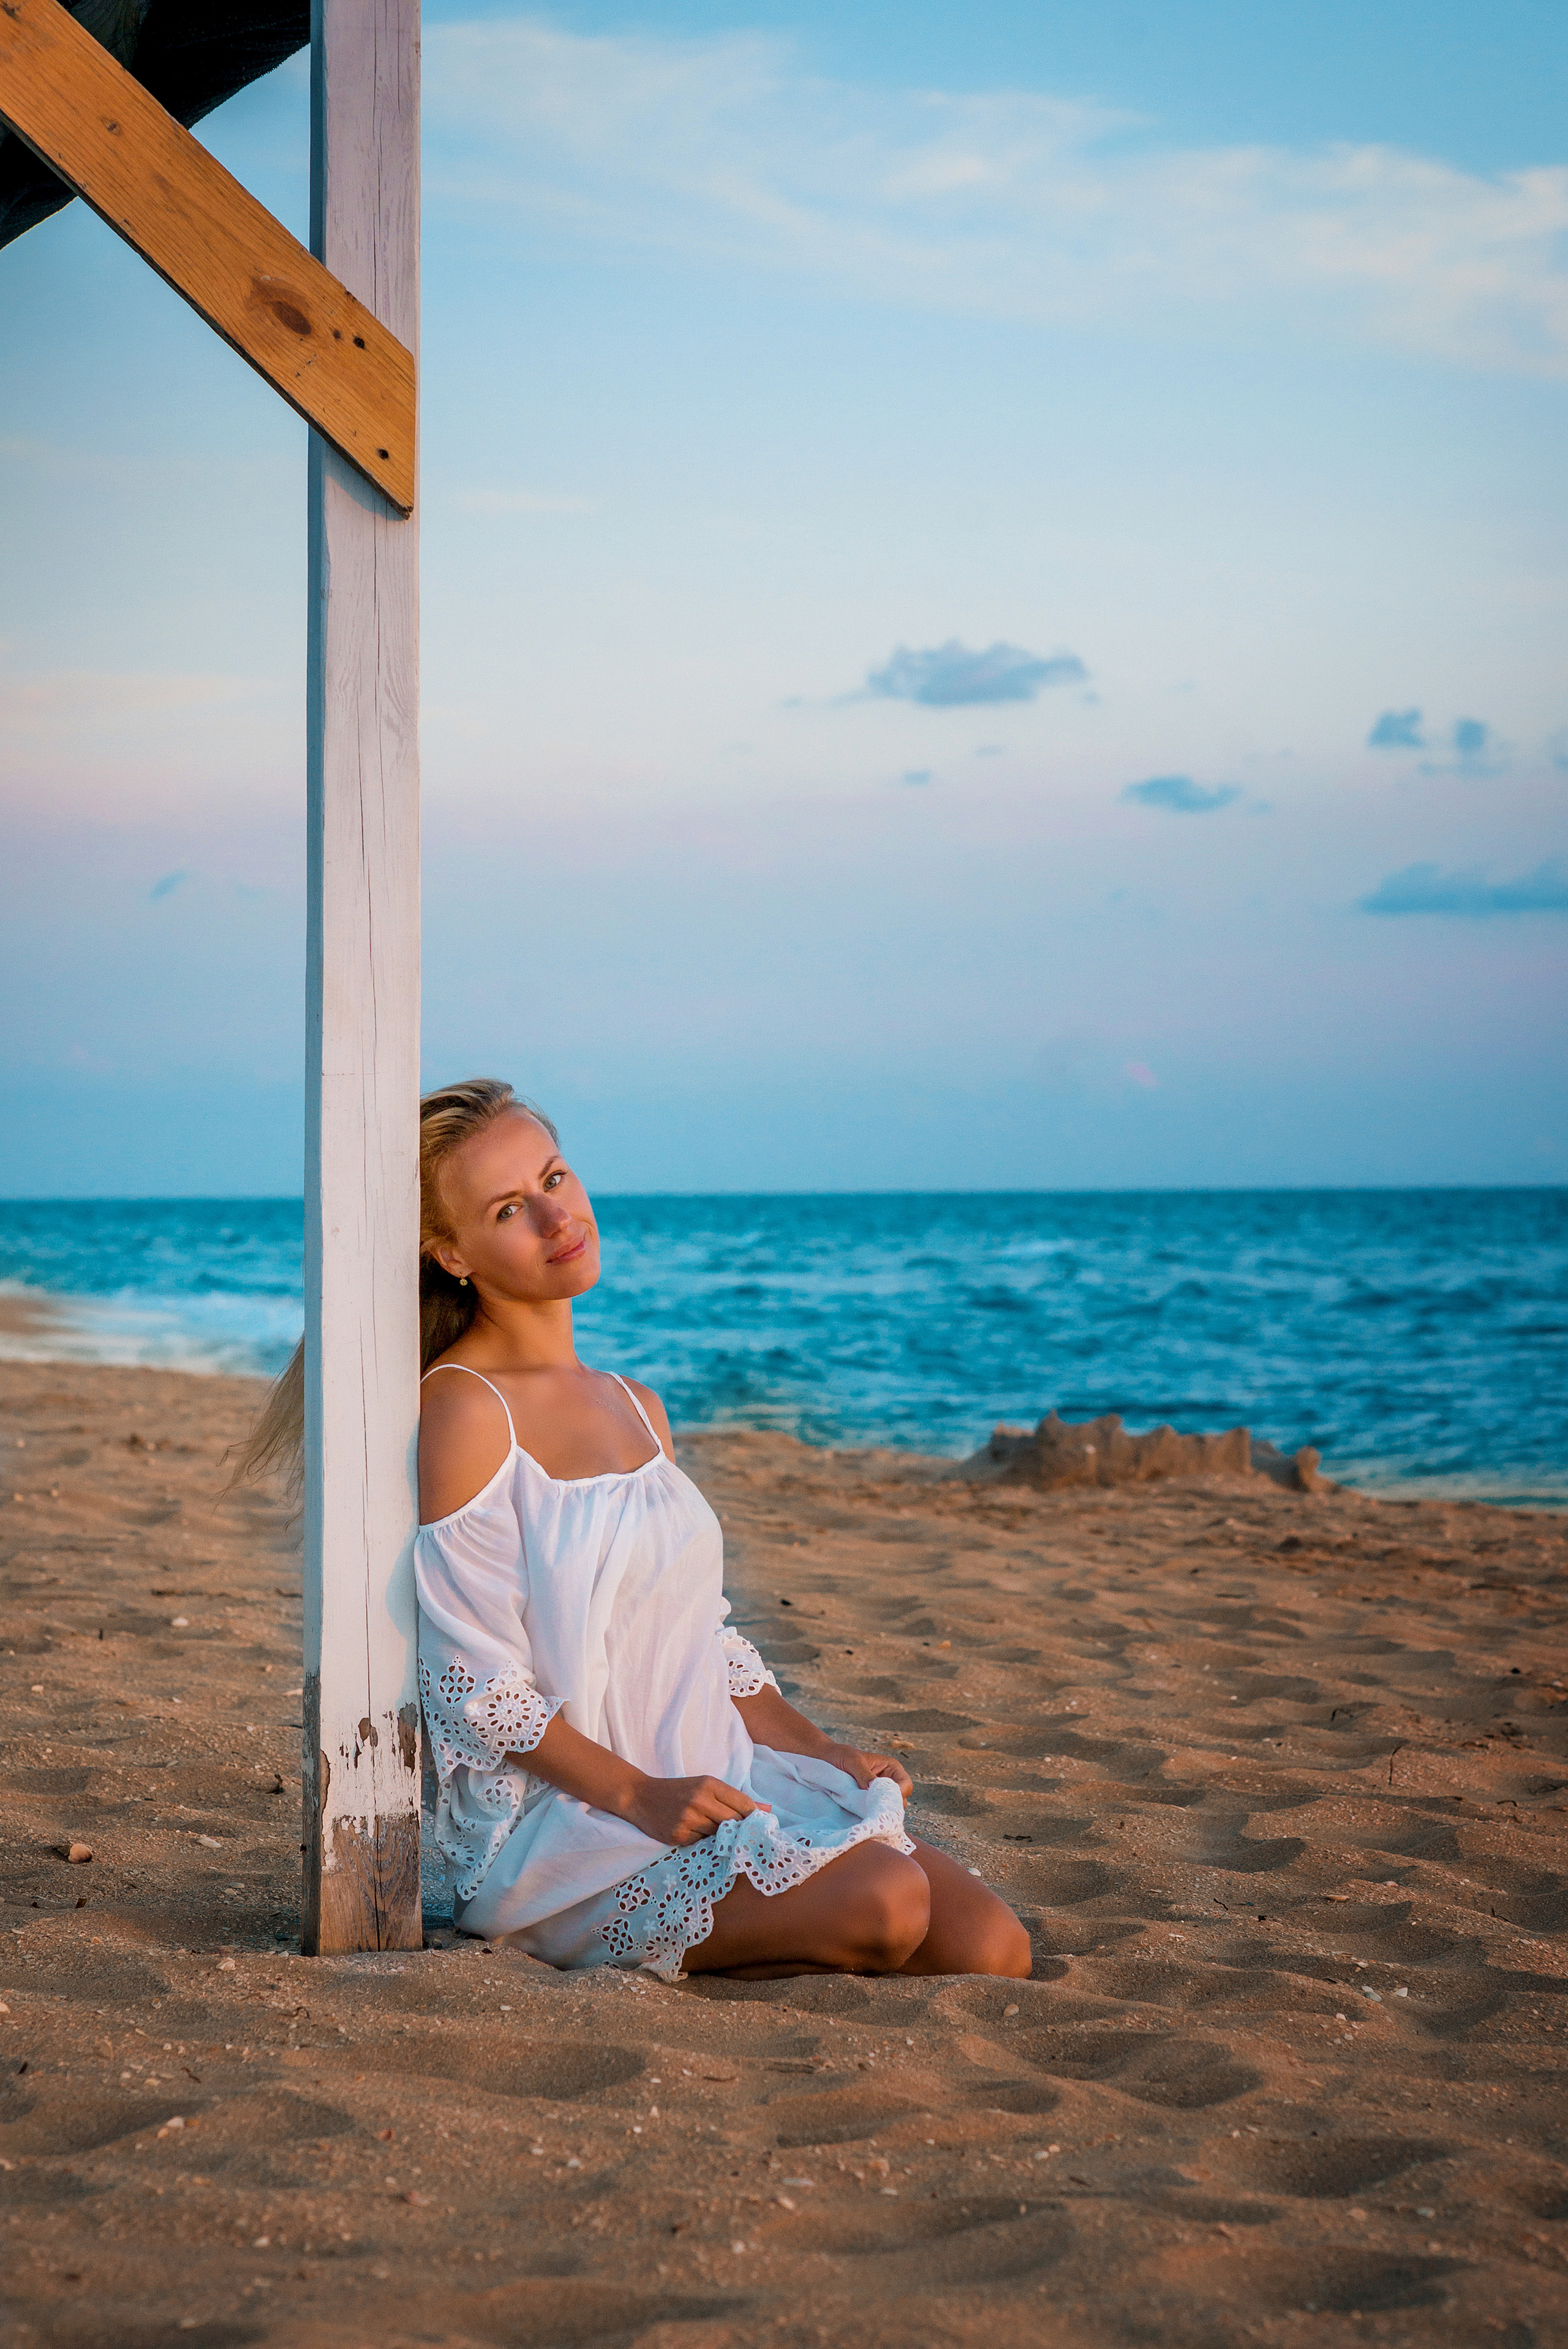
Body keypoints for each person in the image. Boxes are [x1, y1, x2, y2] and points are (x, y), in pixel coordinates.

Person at [248, 1077, 1031, 1983]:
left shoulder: (638, 1405)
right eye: (509, 1209)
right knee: (889, 1906)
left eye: (554, 1178)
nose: (557, 1218)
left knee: (992, 1948)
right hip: (583, 1825)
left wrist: (820, 1750)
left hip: (714, 1775)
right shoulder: (468, 1411)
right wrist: (639, 1794)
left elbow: (702, 1638)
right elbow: (475, 1686)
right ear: (451, 1253)